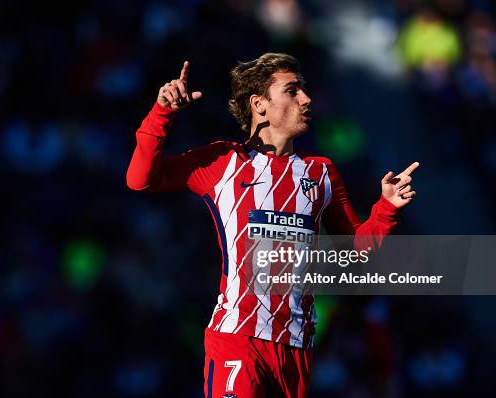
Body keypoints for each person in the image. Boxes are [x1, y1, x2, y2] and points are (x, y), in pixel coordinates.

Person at [126, 53, 418, 398]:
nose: (306, 99)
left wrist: (386, 209)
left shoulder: (321, 173)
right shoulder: (222, 162)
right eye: (292, 90)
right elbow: (140, 179)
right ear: (259, 104)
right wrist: (163, 112)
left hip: (296, 348)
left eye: (303, 89)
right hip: (238, 338)